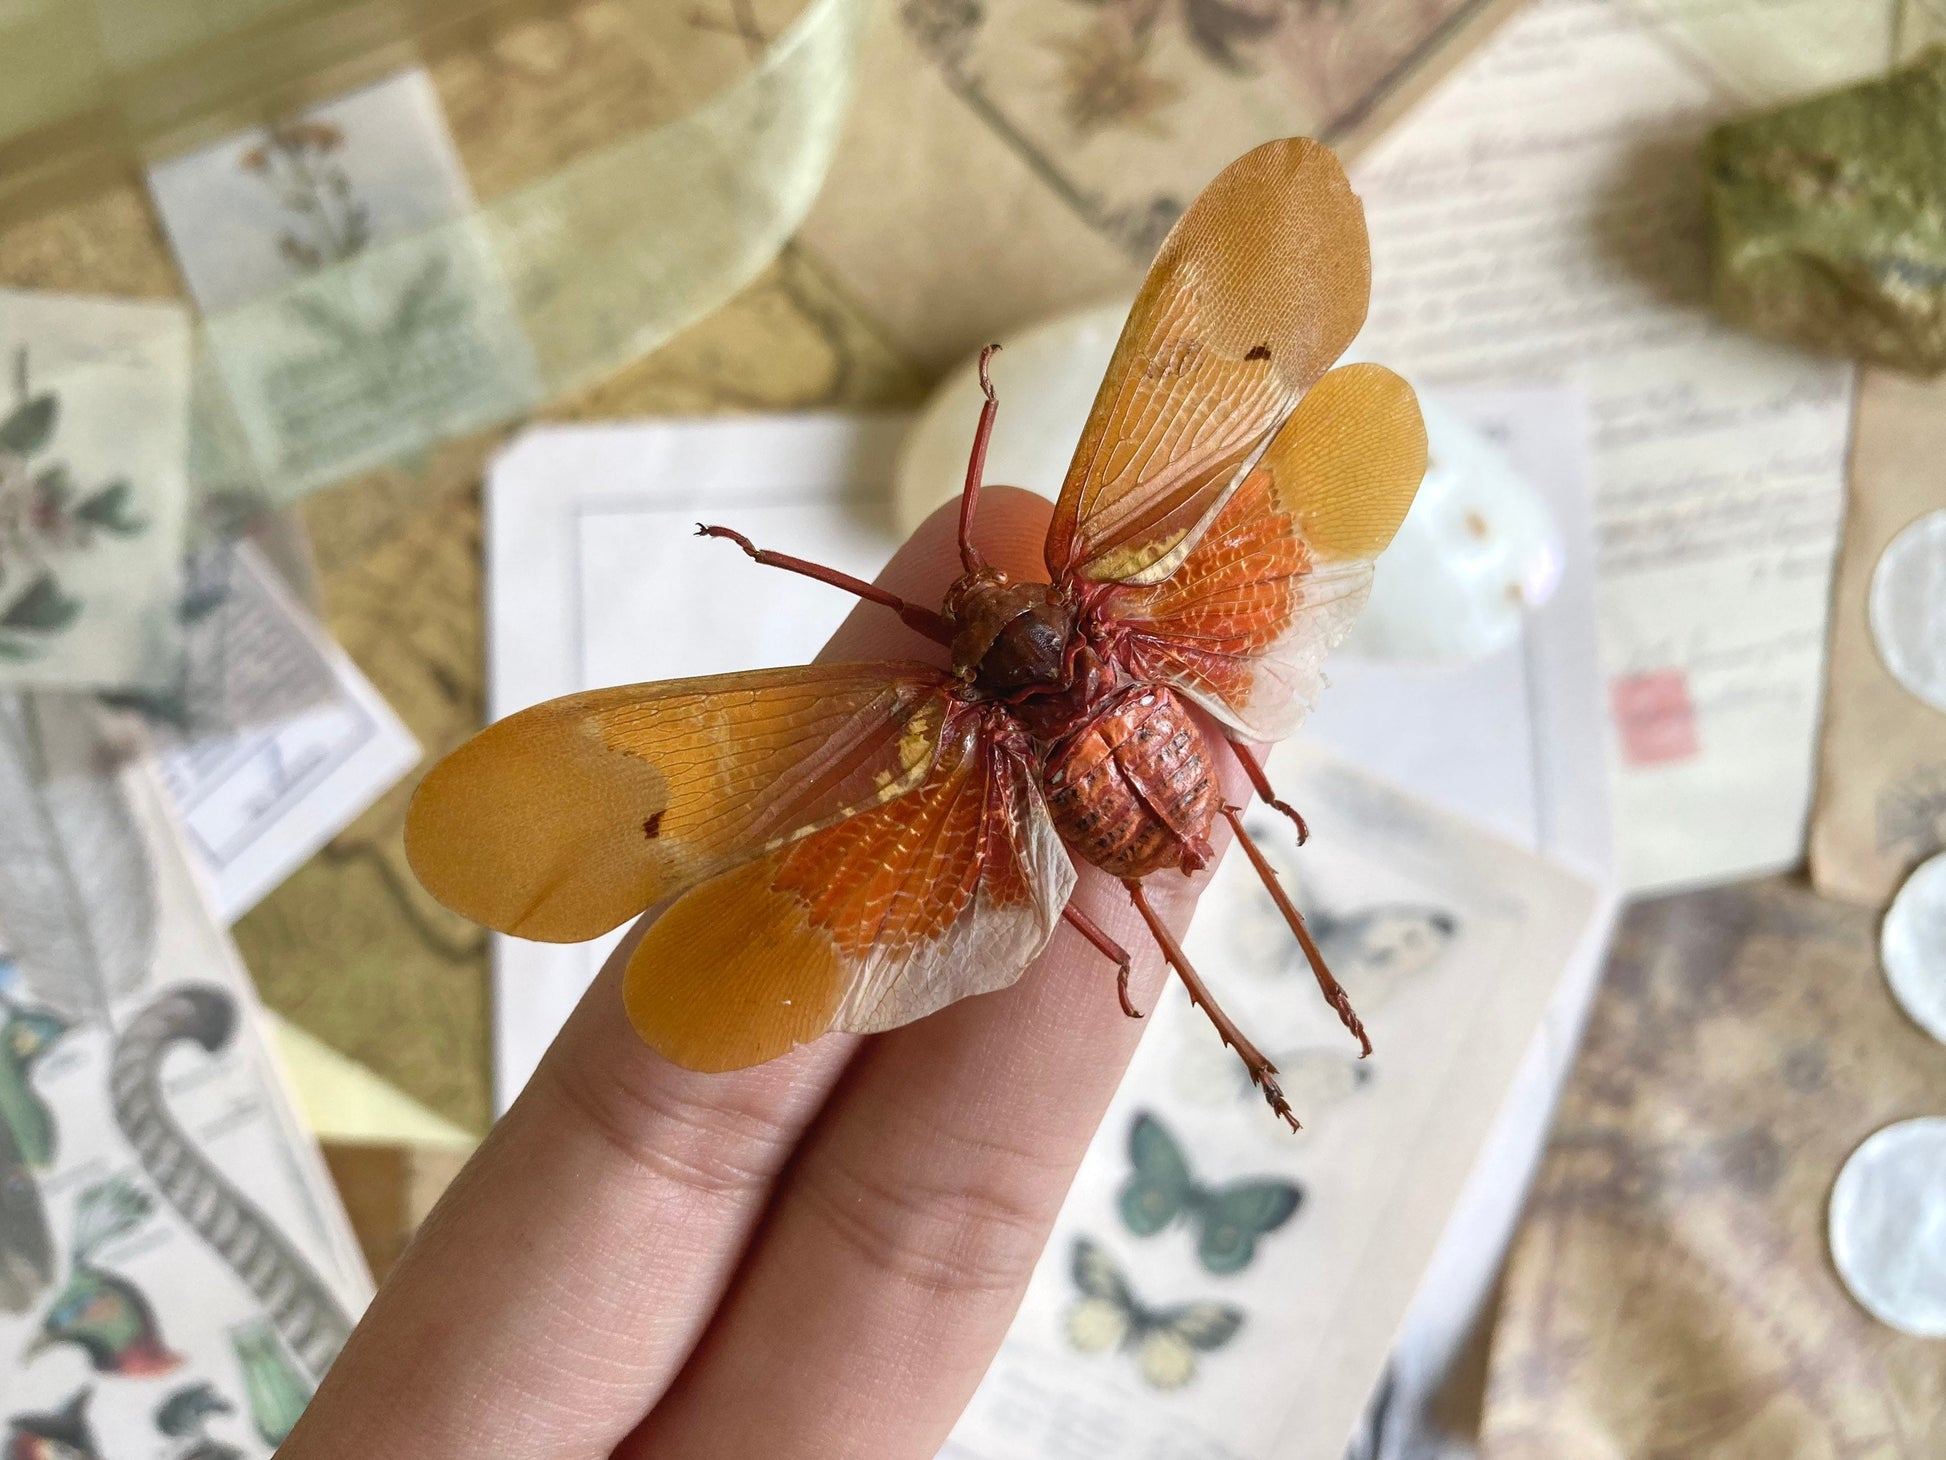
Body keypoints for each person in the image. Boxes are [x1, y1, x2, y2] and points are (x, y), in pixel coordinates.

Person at [280, 487, 1246, 1458]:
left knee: (1056, 901)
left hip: (1080, 769)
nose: (979, 584)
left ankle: (1168, 959)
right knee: (1108, 891)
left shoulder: (942, 709)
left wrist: (760, 554)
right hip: (1141, 733)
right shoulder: (1092, 617)